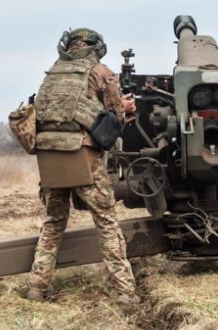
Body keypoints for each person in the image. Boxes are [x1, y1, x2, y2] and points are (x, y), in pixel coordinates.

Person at [25, 28, 137, 305]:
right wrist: (126, 109)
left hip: (50, 157)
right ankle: (126, 294)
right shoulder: (101, 72)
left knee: (52, 224)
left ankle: (36, 289)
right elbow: (115, 121)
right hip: (83, 156)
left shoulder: (52, 73)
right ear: (96, 47)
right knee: (107, 224)